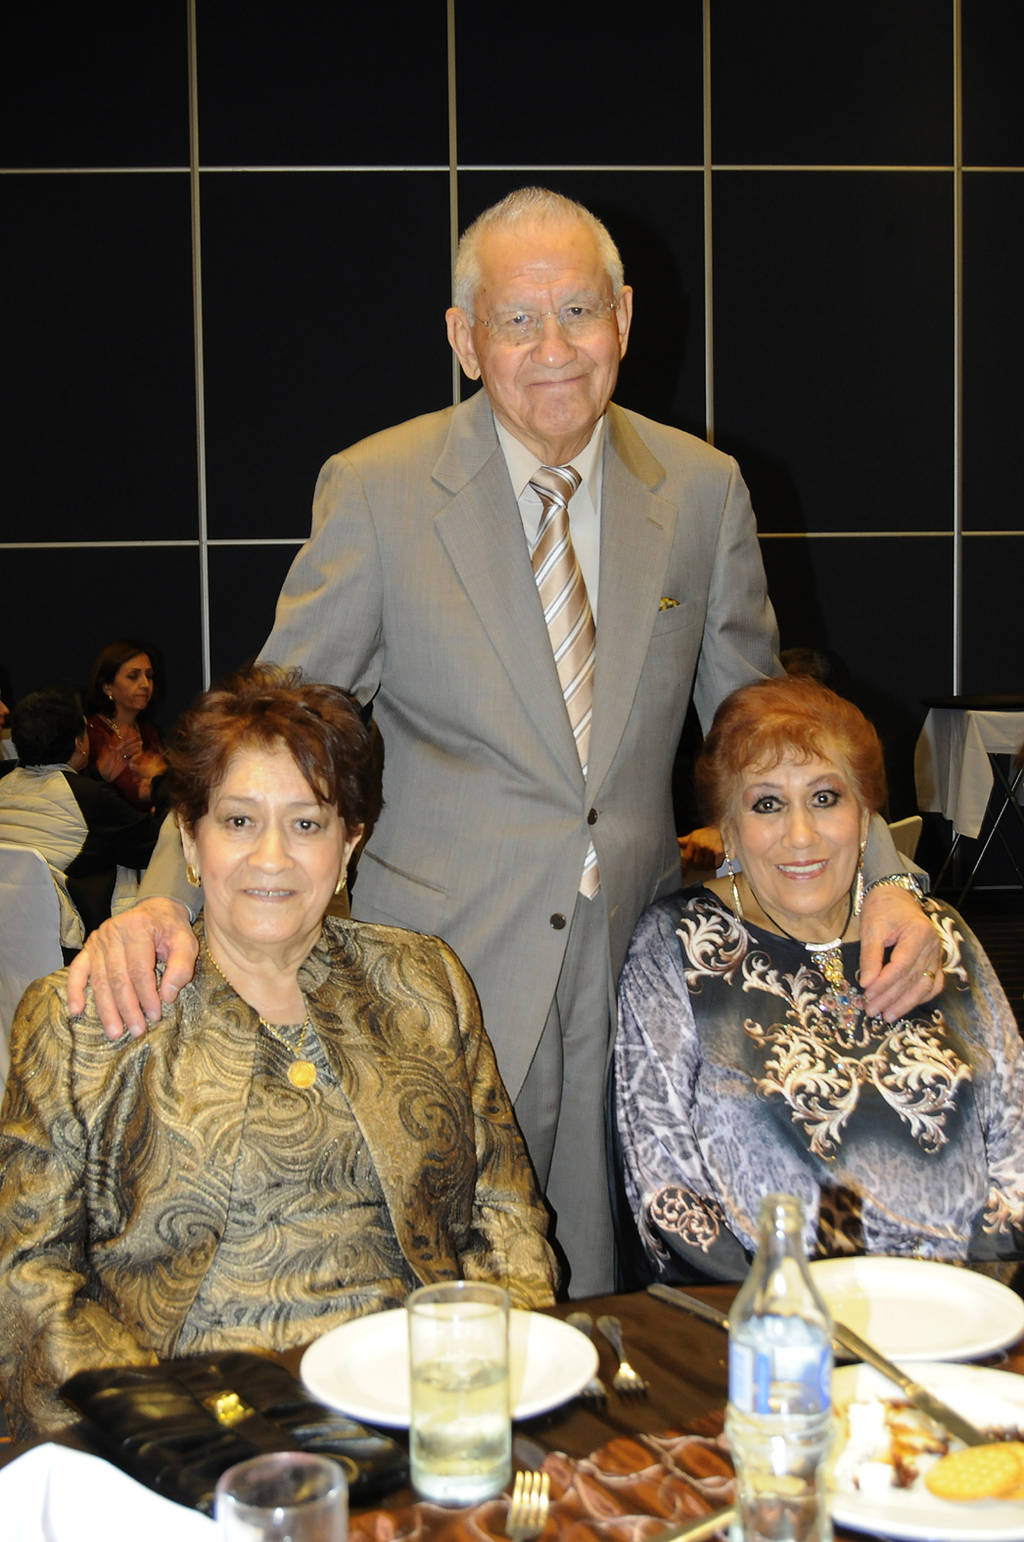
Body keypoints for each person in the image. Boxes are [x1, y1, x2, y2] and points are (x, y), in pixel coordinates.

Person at [67, 187, 940, 1296]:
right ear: (463, 338)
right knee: (441, 1290)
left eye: (578, 311)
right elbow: (267, 727)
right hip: (437, 979)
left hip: (632, 977)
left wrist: (879, 877)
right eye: (517, 320)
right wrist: (164, 900)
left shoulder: (703, 492)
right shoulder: (378, 489)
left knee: (607, 1296)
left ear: (624, 318)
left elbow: (769, 733)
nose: (553, 348)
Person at [0, 665, 557, 1439]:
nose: (272, 857)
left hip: (424, 1411)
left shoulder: (426, 984)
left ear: (349, 843)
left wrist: (497, 1379)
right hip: (193, 1434)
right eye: (238, 821)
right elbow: (26, 1283)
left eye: (306, 824)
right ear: (190, 840)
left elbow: (506, 1216)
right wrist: (164, 1431)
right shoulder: (88, 1016)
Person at [613, 676, 1024, 1284]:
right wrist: (778, 1311)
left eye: (826, 798)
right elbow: (663, 1184)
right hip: (772, 1312)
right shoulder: (678, 946)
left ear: (866, 819)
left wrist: (983, 1295)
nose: (800, 835)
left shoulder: (935, 934)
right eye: (767, 804)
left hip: (965, 1305)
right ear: (727, 828)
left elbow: (1015, 1138)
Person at [0, 688, 162, 939]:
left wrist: (97, 777)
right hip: (71, 947)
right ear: (79, 743)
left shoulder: (5, 785)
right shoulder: (88, 798)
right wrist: (161, 781)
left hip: (12, 941)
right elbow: (157, 845)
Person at [85, 640, 167, 811]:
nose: (145, 684)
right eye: (133, 676)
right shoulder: (91, 733)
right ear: (107, 687)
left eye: (149, 676)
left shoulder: (149, 732)